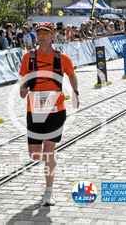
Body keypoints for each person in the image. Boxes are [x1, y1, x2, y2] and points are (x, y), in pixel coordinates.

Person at [19, 22, 79, 206]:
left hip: (56, 108)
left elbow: (72, 74)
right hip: (35, 109)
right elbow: (23, 78)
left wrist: (76, 93)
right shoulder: (28, 57)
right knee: (35, 154)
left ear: (52, 36)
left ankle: (49, 191)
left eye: (46, 33)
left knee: (49, 151)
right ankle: (47, 179)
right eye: (40, 33)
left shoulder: (62, 58)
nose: (42, 36)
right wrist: (22, 89)